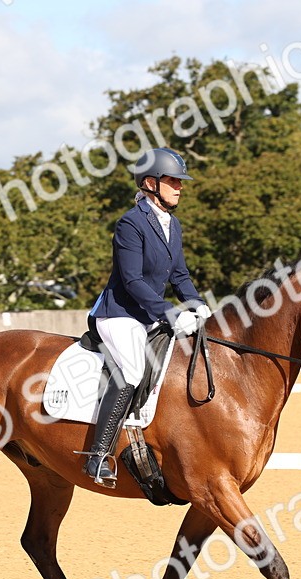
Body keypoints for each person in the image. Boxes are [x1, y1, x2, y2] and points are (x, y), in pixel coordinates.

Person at [82, 147, 211, 487]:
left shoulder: (173, 224)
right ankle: (98, 455)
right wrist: (170, 312)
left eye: (180, 182)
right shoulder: (131, 223)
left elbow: (179, 275)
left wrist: (197, 304)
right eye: (173, 181)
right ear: (151, 183)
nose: (180, 187)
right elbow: (132, 280)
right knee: (132, 370)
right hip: (120, 313)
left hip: (148, 314)